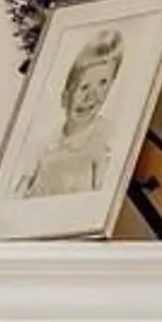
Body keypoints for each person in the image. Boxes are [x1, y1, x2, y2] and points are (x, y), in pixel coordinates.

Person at [18, 27, 127, 200]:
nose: (92, 96)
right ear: (65, 96)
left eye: (103, 83)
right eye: (84, 87)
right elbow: (19, 196)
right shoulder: (44, 146)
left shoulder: (106, 142)